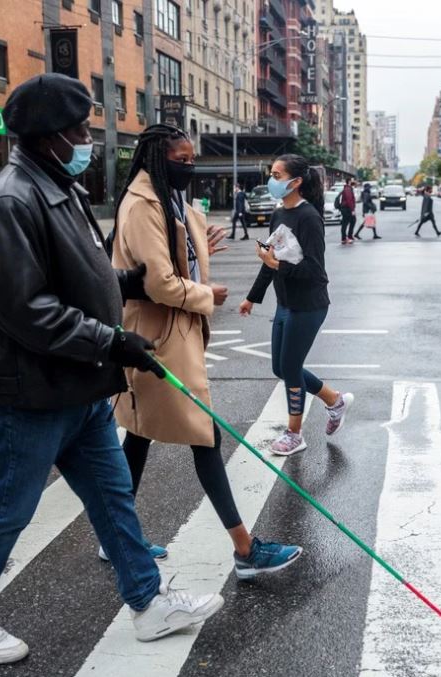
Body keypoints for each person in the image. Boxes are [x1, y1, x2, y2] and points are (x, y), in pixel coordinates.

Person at [0, 74, 222, 666]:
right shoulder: (12, 201)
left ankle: (148, 604)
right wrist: (112, 340)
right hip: (30, 392)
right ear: (48, 136)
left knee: (114, 495)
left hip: (78, 382)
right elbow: (24, 309)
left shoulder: (56, 184)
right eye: (79, 129)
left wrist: (122, 284)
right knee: (8, 508)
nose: (87, 137)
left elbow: (72, 273)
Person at [111, 124, 302, 578]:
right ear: (159, 158)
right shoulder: (142, 203)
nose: (190, 166)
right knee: (205, 436)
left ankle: (114, 535)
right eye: (183, 159)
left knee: (138, 438)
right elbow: (158, 282)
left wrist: (196, 246)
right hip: (161, 335)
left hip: (171, 331)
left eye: (193, 158)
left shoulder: (165, 196)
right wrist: (204, 293)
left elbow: (173, 250)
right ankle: (245, 550)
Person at [239, 154, 354, 456]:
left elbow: (315, 271)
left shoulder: (309, 218)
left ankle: (294, 433)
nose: (271, 180)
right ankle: (334, 400)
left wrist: (276, 264)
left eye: (277, 175)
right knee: (281, 367)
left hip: (309, 304)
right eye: (272, 174)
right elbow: (270, 258)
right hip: (286, 302)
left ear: (296, 182)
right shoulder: (279, 214)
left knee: (290, 368)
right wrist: (253, 296)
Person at [338, 178, 356, 244]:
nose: (354, 182)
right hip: (347, 208)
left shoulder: (347, 188)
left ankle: (346, 237)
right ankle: (347, 237)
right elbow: (349, 200)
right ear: (349, 181)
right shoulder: (348, 189)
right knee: (349, 222)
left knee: (346, 222)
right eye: (352, 181)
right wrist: (352, 210)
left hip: (345, 208)